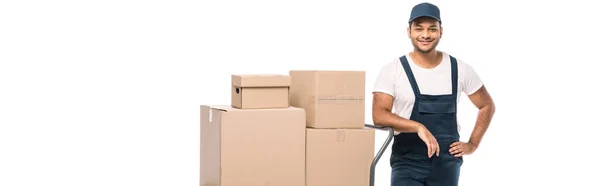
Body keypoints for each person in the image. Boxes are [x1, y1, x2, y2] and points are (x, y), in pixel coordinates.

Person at [372, 2, 496, 186]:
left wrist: (473, 144)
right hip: (407, 163)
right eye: (419, 28)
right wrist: (418, 127)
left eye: (432, 29)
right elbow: (379, 115)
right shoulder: (393, 70)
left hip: (446, 165)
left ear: (441, 31)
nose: (425, 35)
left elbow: (487, 105)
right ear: (409, 32)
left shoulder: (460, 69)